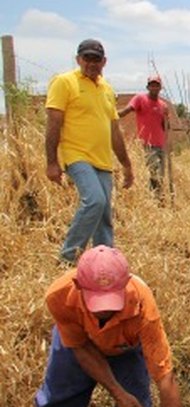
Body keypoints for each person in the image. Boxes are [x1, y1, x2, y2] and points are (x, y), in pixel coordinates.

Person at [29, 245, 190, 407]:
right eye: (97, 303)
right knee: (56, 402)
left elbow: (165, 376)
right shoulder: (60, 295)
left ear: (126, 285)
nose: (105, 311)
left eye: (111, 302)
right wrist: (118, 394)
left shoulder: (141, 304)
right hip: (79, 346)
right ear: (78, 286)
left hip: (124, 349)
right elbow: (81, 350)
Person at [45, 39, 134, 264]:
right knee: (94, 201)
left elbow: (114, 130)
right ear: (78, 59)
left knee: (104, 215)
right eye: (87, 58)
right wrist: (52, 162)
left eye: (96, 59)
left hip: (103, 161)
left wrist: (126, 165)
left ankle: (104, 263)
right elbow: (54, 123)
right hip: (77, 156)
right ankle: (68, 258)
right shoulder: (64, 82)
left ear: (104, 62)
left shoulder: (106, 88)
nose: (91, 63)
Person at [119, 75, 169, 200]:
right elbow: (126, 111)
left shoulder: (163, 105)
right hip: (147, 144)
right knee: (154, 172)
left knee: (161, 174)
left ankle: (157, 199)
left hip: (160, 145)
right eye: (152, 85)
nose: (154, 87)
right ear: (148, 87)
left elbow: (165, 126)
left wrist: (167, 120)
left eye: (156, 85)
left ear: (160, 87)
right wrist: (109, 114)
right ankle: (154, 199)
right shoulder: (140, 99)